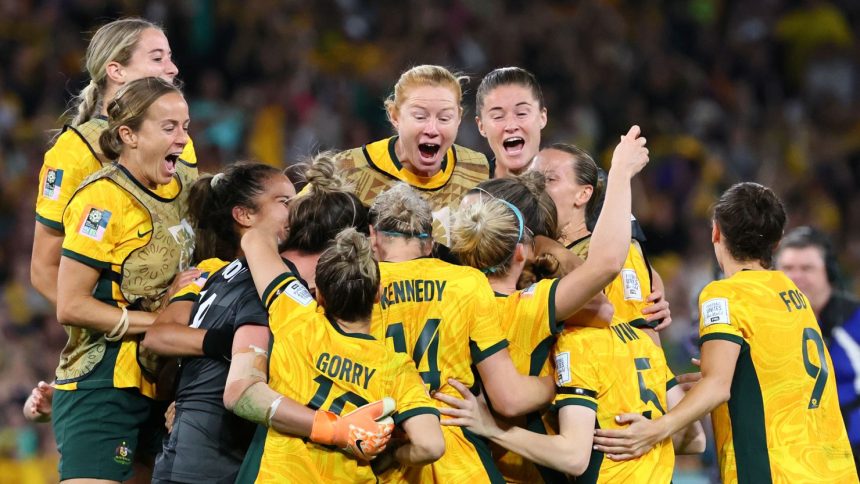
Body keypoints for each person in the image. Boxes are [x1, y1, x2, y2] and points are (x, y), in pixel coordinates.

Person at [592, 182, 857, 483]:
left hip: (774, 472)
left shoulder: (723, 295)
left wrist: (656, 430)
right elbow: (787, 372)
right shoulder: (792, 291)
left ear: (716, 232)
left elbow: (718, 387)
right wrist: (732, 373)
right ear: (778, 242)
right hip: (833, 470)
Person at [52, 76, 196, 483]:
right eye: (168, 128)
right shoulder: (101, 200)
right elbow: (71, 304)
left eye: (185, 126)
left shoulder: (185, 187)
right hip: (102, 385)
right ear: (128, 134)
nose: (183, 139)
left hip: (165, 386)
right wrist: (162, 322)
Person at [367, 182, 556, 483]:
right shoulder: (467, 283)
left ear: (373, 237)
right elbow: (510, 396)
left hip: (383, 455)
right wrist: (562, 381)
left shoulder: (357, 286)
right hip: (459, 456)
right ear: (429, 244)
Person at [234, 219, 444, 482]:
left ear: (319, 294)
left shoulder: (296, 315)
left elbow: (253, 239)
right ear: (378, 294)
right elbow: (430, 446)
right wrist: (392, 455)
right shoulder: (397, 367)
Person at [32, 17, 197, 306]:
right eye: (157, 58)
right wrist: (122, 322)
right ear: (116, 70)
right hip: (122, 342)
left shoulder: (181, 139)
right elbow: (44, 270)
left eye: (170, 58)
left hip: (183, 329)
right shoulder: (75, 150)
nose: (172, 69)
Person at [336, 64, 490, 245]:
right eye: (420, 116)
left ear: (458, 118)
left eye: (444, 118)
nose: (432, 129)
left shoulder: (478, 168)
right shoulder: (348, 169)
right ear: (394, 116)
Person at [533, 143, 670, 344]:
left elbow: (643, 345)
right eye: (532, 179)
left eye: (550, 179)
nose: (536, 186)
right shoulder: (527, 252)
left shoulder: (619, 253)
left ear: (583, 194)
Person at [776, 226, 860, 462]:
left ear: (830, 274)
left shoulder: (856, 321)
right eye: (788, 269)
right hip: (793, 456)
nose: (796, 277)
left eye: (807, 268)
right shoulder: (764, 325)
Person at [474, 67, 546, 179]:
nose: (511, 126)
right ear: (481, 126)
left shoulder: (571, 190)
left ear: (542, 117)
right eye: (498, 117)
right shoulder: (463, 193)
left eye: (521, 113)